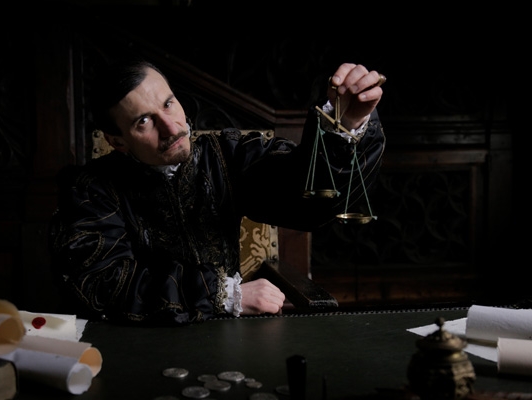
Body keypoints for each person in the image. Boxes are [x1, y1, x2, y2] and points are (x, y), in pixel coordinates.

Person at [48, 55, 386, 325]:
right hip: (136, 347)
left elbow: (304, 198)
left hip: (228, 339)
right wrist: (222, 293)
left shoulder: (227, 154)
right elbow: (101, 283)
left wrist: (345, 124)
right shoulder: (90, 189)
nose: (170, 128)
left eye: (168, 103)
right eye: (143, 121)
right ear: (117, 141)